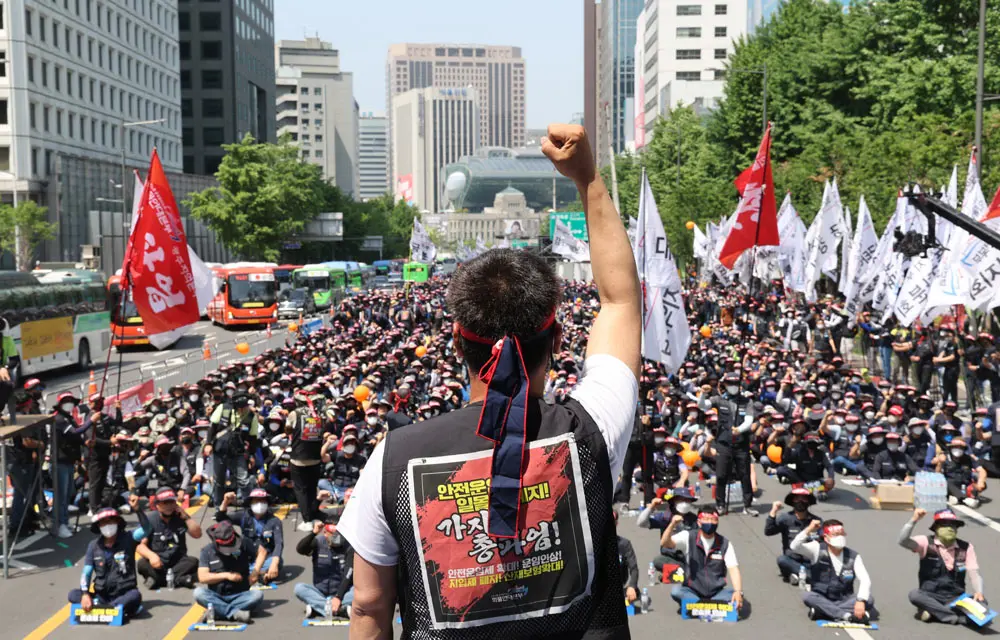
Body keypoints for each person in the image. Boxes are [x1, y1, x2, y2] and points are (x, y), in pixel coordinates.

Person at [338, 124, 642, 639]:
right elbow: (620, 301)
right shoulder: (591, 432)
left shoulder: (393, 458)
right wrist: (587, 178)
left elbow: (368, 606)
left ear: (458, 344)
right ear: (559, 340)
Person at [899, 508, 987, 625]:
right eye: (945, 524)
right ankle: (953, 617)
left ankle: (934, 614)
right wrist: (914, 520)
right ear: (936, 528)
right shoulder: (926, 542)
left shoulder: (966, 547)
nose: (950, 528)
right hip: (930, 595)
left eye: (953, 525)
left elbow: (974, 573)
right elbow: (903, 541)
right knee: (914, 595)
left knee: (982, 604)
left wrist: (978, 592)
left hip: (956, 597)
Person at [69, 498, 146, 622]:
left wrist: (138, 510)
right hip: (102, 594)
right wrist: (85, 594)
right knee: (73, 595)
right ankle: (112, 608)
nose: (107, 525)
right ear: (99, 526)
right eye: (103, 523)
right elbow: (87, 571)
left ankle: (109, 607)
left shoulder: (129, 538)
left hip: (124, 592)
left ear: (117, 522)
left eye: (110, 521)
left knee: (134, 596)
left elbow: (147, 529)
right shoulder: (93, 546)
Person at [660, 507, 745, 614]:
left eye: (713, 519)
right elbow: (665, 543)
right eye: (706, 519)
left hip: (716, 592)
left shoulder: (725, 543)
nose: (710, 522)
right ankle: (710, 606)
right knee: (676, 592)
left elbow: (733, 569)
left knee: (737, 594)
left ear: (717, 522)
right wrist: (672, 525)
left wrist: (738, 591)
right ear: (699, 522)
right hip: (693, 589)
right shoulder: (688, 536)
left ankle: (697, 606)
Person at [792, 519, 878, 623]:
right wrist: (809, 530)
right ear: (826, 537)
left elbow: (865, 580)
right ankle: (847, 615)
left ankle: (824, 612)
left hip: (845, 599)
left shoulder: (853, 556)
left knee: (868, 599)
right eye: (835, 534)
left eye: (841, 534)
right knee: (807, 596)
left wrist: (860, 601)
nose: (839, 537)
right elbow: (794, 546)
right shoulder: (816, 549)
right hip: (822, 597)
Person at [700, 373, 758, 516]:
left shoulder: (746, 401)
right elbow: (702, 406)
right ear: (725, 385)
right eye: (729, 383)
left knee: (745, 475)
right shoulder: (719, 400)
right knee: (721, 475)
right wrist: (703, 393)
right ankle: (720, 505)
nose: (733, 386)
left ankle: (748, 505)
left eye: (735, 383)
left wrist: (739, 429)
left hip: (741, 444)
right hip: (723, 443)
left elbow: (749, 420)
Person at [194, 521, 269, 624]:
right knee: (199, 593)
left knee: (257, 595)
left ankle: (217, 611)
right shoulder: (207, 551)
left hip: (240, 595)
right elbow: (202, 577)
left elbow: (262, 552)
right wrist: (226, 575)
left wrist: (255, 572)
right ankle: (234, 612)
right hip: (217, 595)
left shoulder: (244, 543)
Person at [135, 487, 202, 589]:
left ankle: (159, 580)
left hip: (178, 562)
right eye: (165, 503)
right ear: (157, 505)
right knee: (142, 564)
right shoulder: (150, 519)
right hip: (158, 563)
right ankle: (180, 579)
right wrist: (152, 556)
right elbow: (140, 545)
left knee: (193, 562)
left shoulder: (180, 517)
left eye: (171, 502)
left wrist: (186, 518)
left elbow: (197, 534)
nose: (169, 506)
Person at [215, 488, 284, 584]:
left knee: (277, 562)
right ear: (251, 503)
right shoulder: (244, 516)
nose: (259, 504)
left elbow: (279, 543)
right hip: (248, 556)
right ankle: (258, 574)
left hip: (267, 557)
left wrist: (274, 563)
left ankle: (246, 574)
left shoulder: (274, 521)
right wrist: (225, 502)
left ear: (267, 503)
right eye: (256, 501)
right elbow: (220, 519)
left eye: (262, 501)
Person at [205, 392, 258, 508]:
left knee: (244, 480)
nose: (243, 410)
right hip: (220, 450)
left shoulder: (251, 417)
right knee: (219, 481)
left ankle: (248, 505)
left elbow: (253, 439)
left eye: (245, 407)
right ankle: (219, 507)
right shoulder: (223, 409)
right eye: (240, 408)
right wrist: (208, 444)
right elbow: (212, 428)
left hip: (238, 452)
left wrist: (251, 455)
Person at [294, 519, 355, 619]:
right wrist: (313, 533)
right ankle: (339, 610)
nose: (337, 538)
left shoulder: (349, 546)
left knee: (359, 592)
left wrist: (338, 597)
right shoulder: (318, 542)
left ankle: (318, 607)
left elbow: (348, 575)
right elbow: (300, 549)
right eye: (333, 534)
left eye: (338, 534)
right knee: (299, 588)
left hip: (343, 593)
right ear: (325, 533)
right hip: (320, 593)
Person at [765, 489, 822, 583]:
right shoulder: (785, 518)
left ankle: (799, 576)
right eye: (797, 499)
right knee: (782, 560)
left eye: (804, 499)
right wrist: (773, 511)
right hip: (792, 560)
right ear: (792, 502)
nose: (800, 502)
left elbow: (824, 543)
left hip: (810, 561)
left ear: (808, 502)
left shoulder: (816, 521)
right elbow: (768, 531)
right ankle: (810, 578)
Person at [614, 511, 640, 609]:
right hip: (599, 588)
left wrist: (632, 586)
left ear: (616, 523)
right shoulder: (594, 545)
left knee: (635, 592)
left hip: (619, 585)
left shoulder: (624, 544)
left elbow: (634, 568)